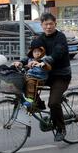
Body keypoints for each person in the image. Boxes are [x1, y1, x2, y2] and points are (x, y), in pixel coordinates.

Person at [14, 13, 71, 142]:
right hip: (45, 75)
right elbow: (32, 53)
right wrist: (21, 62)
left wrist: (45, 61)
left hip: (61, 76)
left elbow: (58, 52)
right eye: (46, 24)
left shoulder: (60, 37)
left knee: (54, 102)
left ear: (55, 24)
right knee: (25, 82)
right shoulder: (40, 38)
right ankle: (38, 104)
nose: (49, 27)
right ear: (42, 25)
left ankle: (61, 129)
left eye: (51, 24)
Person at [22, 40, 52, 109]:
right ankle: (38, 104)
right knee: (22, 82)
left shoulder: (44, 59)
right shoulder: (30, 59)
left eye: (39, 51)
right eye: (35, 52)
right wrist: (25, 66)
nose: (37, 53)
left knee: (30, 82)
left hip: (40, 79)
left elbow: (48, 67)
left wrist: (42, 64)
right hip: (30, 77)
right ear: (32, 53)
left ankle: (30, 100)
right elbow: (26, 66)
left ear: (43, 52)